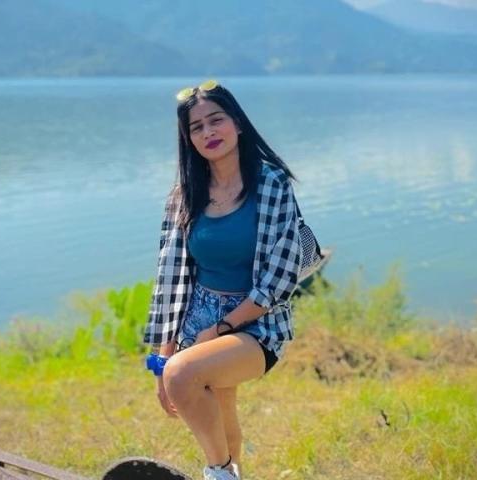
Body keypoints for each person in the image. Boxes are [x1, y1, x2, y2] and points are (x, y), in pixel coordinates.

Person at [143, 80, 302, 480]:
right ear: (188, 139)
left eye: (216, 120)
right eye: (196, 127)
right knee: (222, 415)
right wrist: (163, 358)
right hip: (195, 322)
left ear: (238, 123)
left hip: (257, 324)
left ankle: (218, 474)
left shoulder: (271, 184)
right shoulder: (184, 194)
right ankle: (232, 471)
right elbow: (170, 280)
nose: (208, 132)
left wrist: (219, 329)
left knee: (183, 375)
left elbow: (279, 278)